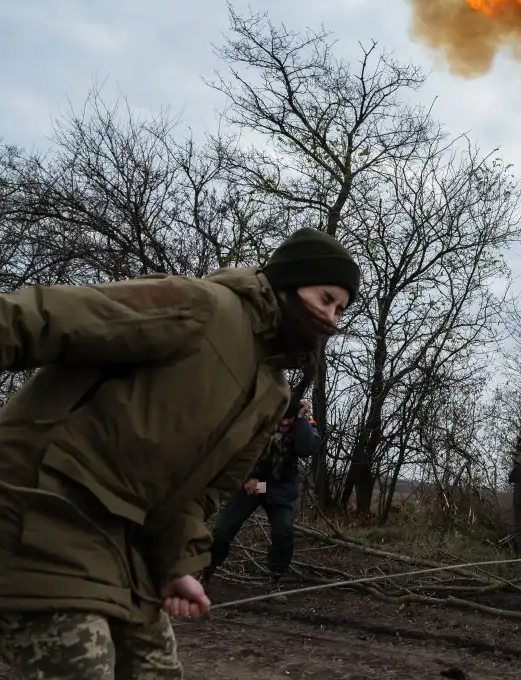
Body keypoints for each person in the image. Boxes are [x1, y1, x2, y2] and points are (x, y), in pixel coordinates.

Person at [0, 226, 359, 679]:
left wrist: (179, 566)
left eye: (340, 309)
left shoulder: (271, 393)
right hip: (38, 506)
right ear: (289, 281)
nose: (330, 318)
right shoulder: (201, 306)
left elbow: (200, 496)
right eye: (325, 298)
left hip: (126, 546)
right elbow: (45, 317)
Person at [202, 399, 319, 593]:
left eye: (289, 419)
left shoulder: (304, 424)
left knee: (283, 532)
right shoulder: (255, 420)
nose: (284, 423)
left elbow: (308, 448)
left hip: (279, 488)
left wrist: (300, 421)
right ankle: (207, 571)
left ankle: (275, 579)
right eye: (281, 418)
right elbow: (234, 450)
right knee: (223, 529)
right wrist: (246, 478)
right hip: (252, 485)